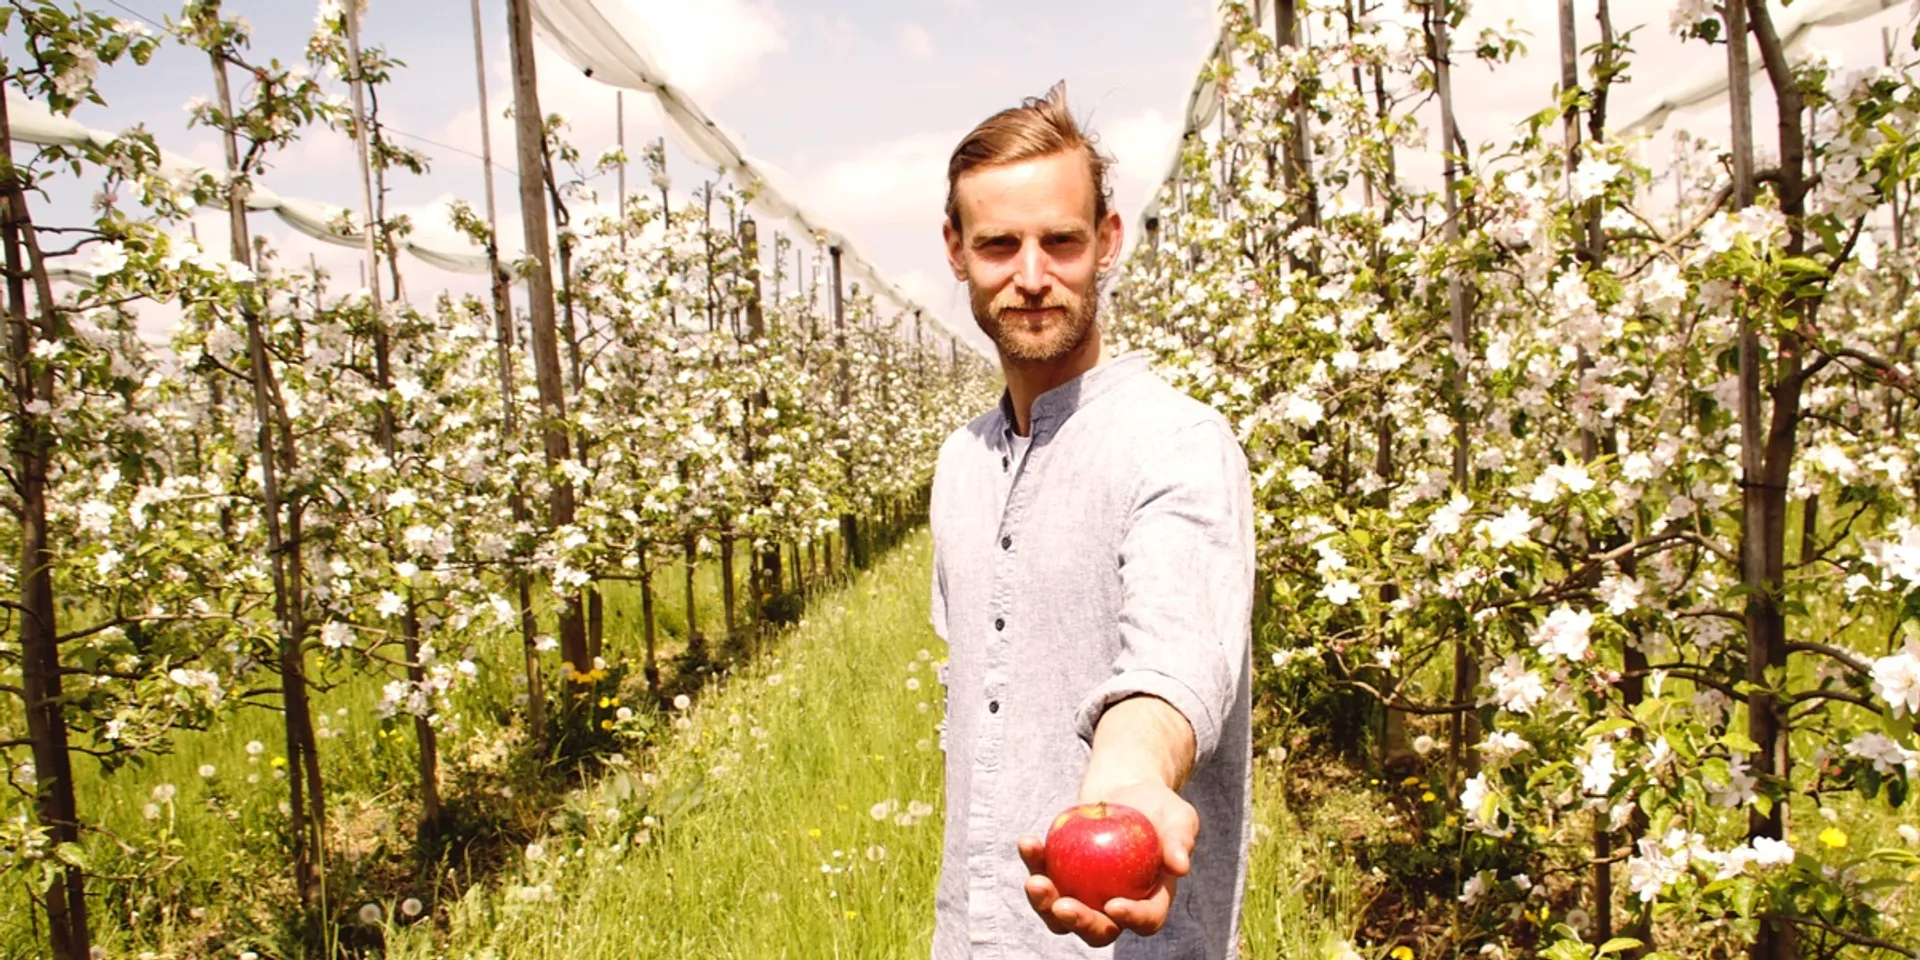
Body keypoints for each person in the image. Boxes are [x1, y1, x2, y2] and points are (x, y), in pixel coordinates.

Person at [926, 81, 1256, 959]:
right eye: (999, 244)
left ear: (1106, 242)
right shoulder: (961, 464)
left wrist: (1131, 776)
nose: (1031, 276)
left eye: (1060, 242)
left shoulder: (1177, 445)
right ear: (956, 251)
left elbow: (1173, 662)